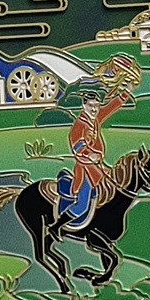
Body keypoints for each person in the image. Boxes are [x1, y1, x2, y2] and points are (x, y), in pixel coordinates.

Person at [57, 78, 131, 230]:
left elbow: (111, 107)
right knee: (82, 204)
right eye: (91, 106)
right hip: (85, 169)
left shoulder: (95, 119)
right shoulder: (79, 125)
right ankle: (57, 225)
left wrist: (126, 92)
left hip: (97, 166)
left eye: (97, 106)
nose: (94, 109)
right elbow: (77, 146)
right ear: (84, 106)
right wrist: (89, 154)